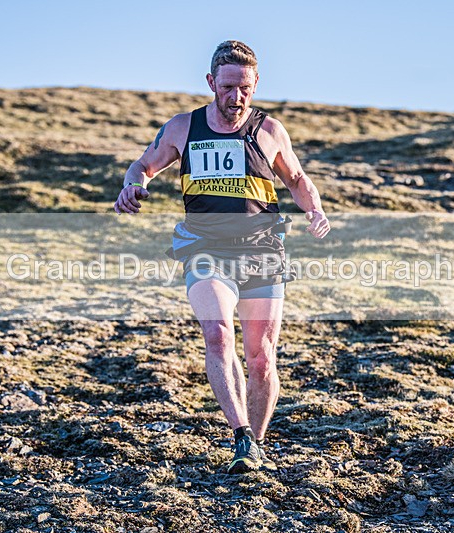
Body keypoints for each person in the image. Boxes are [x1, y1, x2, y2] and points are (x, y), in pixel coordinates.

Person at [114, 40, 330, 474]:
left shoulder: (269, 131)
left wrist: (315, 210)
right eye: (228, 87)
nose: (237, 98)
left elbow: (298, 179)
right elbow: (143, 165)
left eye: (245, 88)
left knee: (262, 356)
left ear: (255, 84)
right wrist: (132, 185)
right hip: (205, 248)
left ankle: (256, 445)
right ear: (212, 82)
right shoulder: (183, 128)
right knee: (217, 335)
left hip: (263, 251)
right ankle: (241, 435)